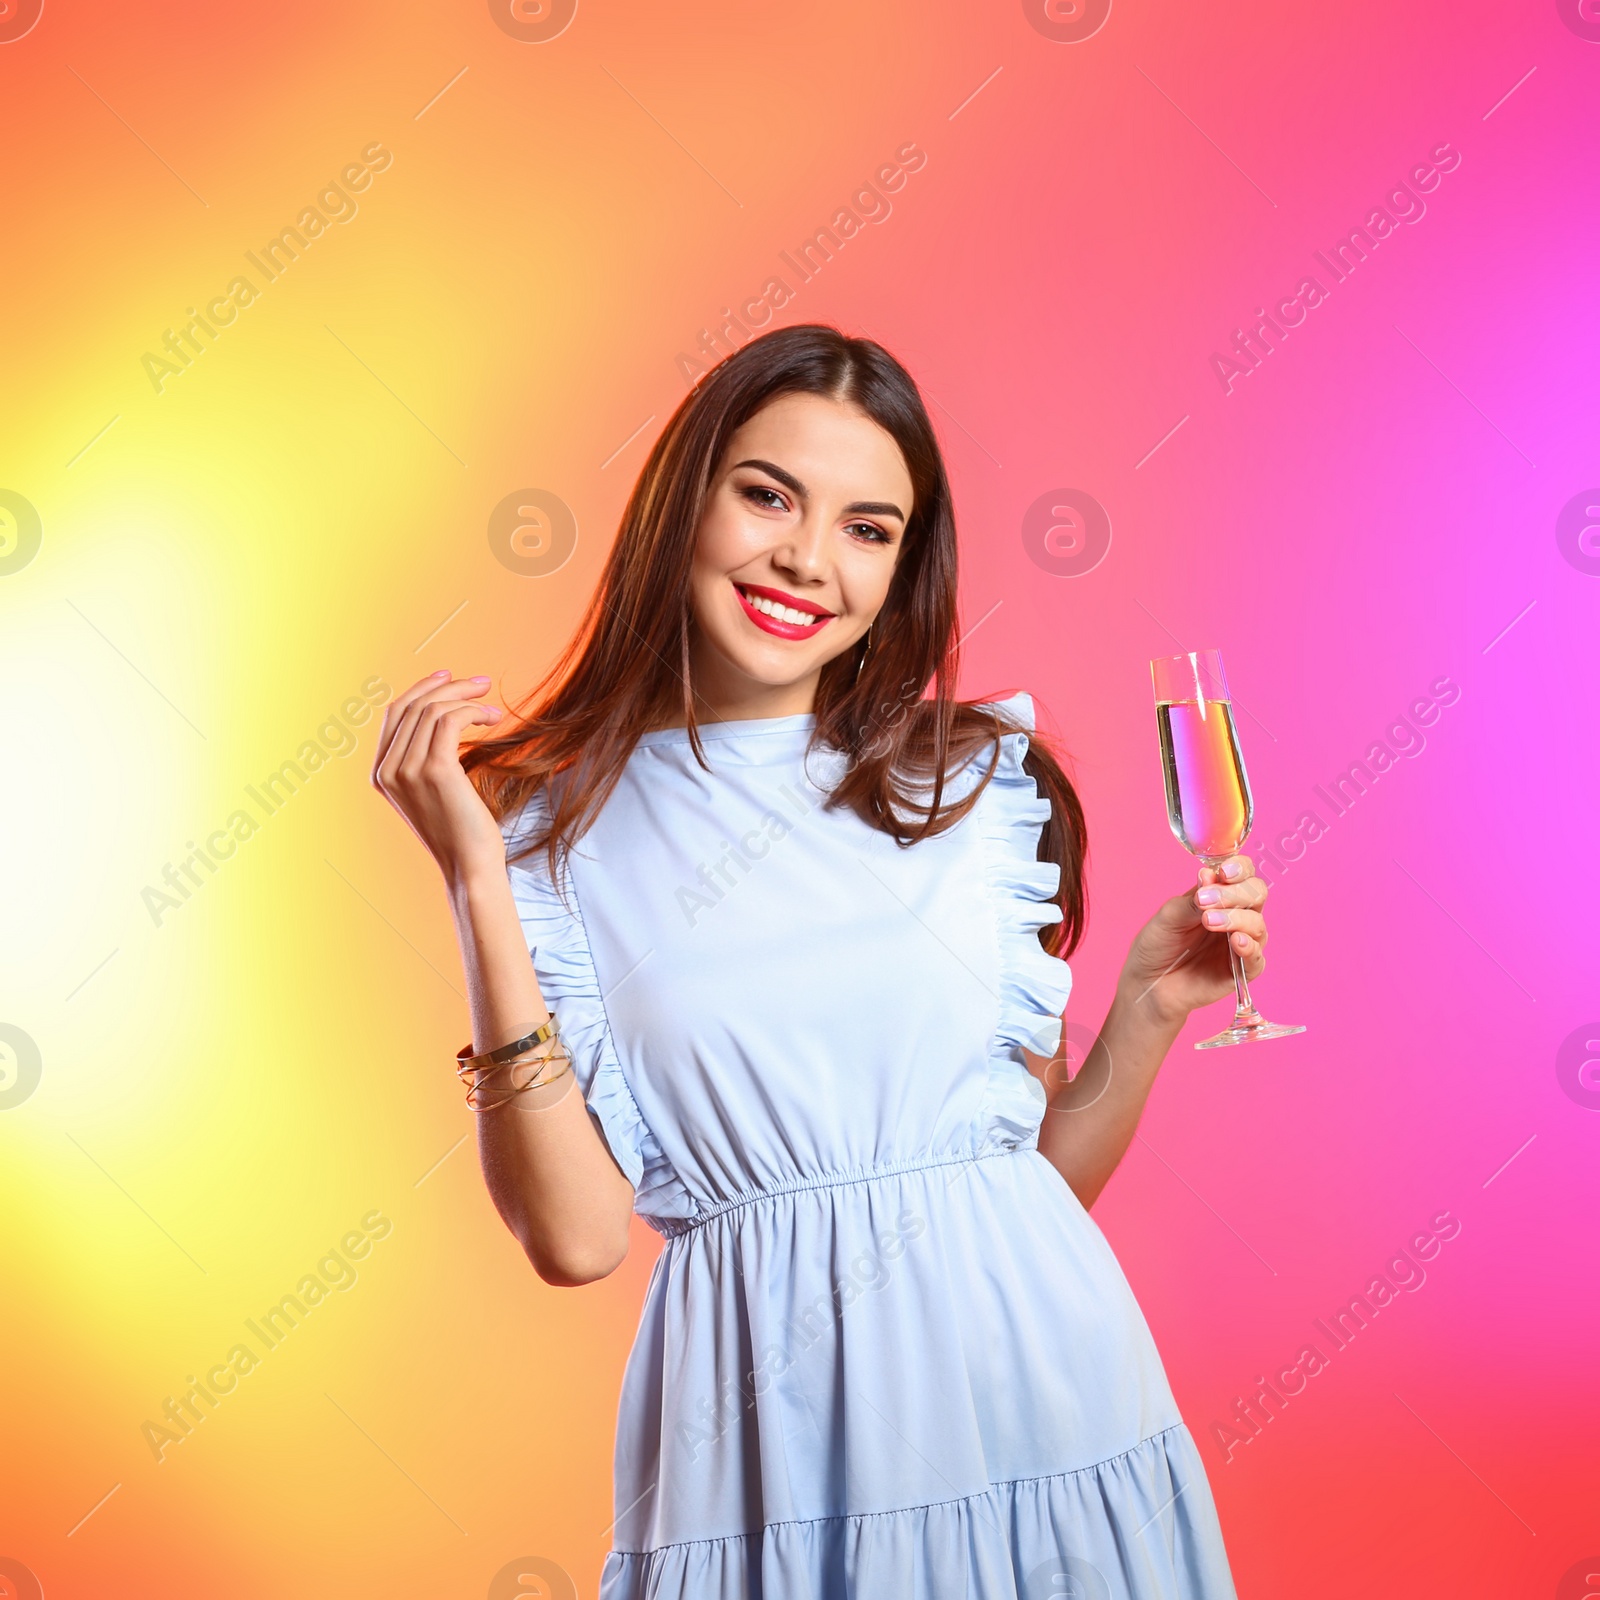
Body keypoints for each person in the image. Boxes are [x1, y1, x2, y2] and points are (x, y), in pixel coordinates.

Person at [371, 325, 1262, 1597]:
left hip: (1053, 1422)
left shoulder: (977, 788)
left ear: (903, 568)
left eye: (867, 527)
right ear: (687, 497)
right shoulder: (550, 837)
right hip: (770, 1470)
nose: (806, 559)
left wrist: (1145, 1015)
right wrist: (474, 878)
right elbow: (574, 1239)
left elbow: (1017, 1196)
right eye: (768, 494)